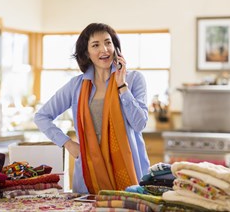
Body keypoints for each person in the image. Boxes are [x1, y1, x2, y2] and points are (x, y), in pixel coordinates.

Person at [34, 23, 150, 194]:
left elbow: (140, 124)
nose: (104, 49)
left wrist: (122, 86)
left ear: (115, 47)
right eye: (96, 45)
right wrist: (68, 144)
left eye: (108, 42)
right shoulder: (77, 85)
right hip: (89, 171)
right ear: (87, 53)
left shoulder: (133, 79)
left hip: (130, 169)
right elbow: (41, 116)